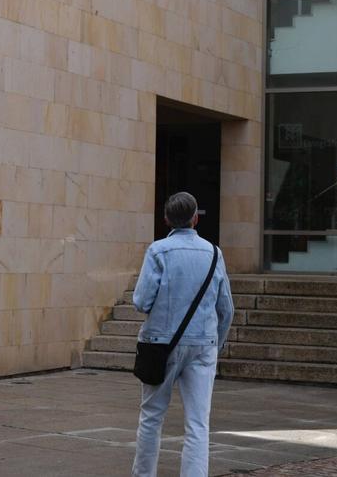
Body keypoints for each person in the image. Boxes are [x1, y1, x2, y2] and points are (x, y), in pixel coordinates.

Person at [132, 192, 234, 477]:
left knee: (151, 418)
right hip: (203, 345)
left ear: (166, 220)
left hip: (159, 345)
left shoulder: (158, 251)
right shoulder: (214, 253)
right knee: (198, 423)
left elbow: (141, 301)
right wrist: (216, 345)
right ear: (195, 218)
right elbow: (226, 308)